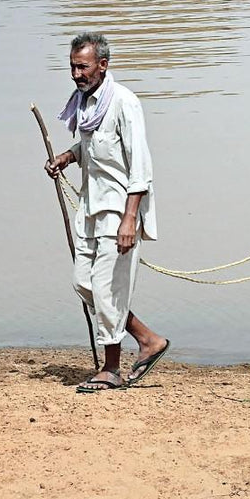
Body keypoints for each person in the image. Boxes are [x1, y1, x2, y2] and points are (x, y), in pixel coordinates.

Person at [46, 33, 170, 393]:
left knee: (106, 287)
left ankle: (111, 368)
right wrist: (68, 157)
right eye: (72, 66)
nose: (76, 74)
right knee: (84, 284)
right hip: (90, 208)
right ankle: (147, 339)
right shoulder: (85, 103)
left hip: (118, 211)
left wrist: (130, 219)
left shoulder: (124, 103)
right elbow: (94, 147)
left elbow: (140, 168)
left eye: (82, 67)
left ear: (102, 65)